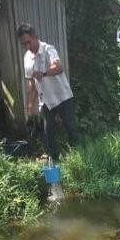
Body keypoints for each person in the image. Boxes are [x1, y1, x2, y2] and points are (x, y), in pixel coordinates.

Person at [17, 23, 77, 161]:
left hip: (63, 96)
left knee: (70, 128)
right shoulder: (27, 58)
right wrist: (30, 106)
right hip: (46, 101)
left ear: (35, 37)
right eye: (23, 44)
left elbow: (59, 67)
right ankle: (54, 160)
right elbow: (32, 83)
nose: (27, 46)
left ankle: (77, 156)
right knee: (48, 133)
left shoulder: (48, 49)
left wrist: (44, 73)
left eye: (28, 42)